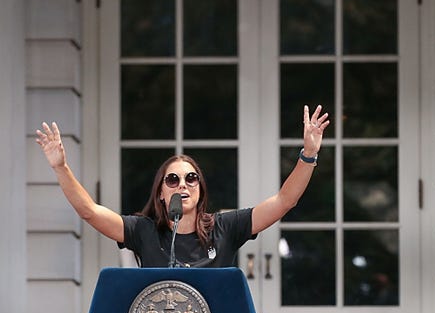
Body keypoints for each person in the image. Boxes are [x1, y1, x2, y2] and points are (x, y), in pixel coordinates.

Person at [35, 105, 330, 266]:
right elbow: (89, 211)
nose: (182, 185)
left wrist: (309, 155)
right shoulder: (143, 231)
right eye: (172, 180)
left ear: (200, 189)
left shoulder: (224, 227)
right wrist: (61, 167)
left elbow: (284, 201)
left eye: (191, 178)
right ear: (161, 194)